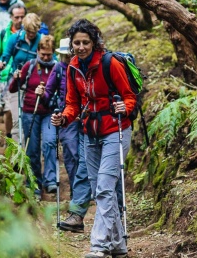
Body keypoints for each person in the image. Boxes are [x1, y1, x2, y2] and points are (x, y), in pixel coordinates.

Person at [51, 19, 136, 258]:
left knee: (105, 189)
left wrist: (124, 107)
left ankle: (98, 246)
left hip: (116, 131)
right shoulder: (73, 68)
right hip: (90, 134)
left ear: (94, 42)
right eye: (76, 43)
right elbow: (72, 103)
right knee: (102, 188)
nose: (80, 47)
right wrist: (64, 118)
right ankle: (118, 246)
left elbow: (130, 96)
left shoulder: (110, 63)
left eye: (85, 42)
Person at [36, 38, 91, 233]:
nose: (68, 57)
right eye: (66, 54)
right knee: (71, 155)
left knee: (84, 156)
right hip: (66, 117)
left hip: (83, 117)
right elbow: (49, 93)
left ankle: (82, 196)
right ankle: (78, 196)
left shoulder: (83, 67)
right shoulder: (59, 68)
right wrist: (41, 93)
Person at [9, 35, 58, 200]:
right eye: (43, 54)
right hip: (30, 111)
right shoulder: (30, 66)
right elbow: (12, 89)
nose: (45, 58)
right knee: (33, 149)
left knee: (50, 143)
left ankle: (50, 180)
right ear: (37, 51)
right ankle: (34, 182)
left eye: (48, 55)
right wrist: (15, 78)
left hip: (49, 111)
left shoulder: (56, 68)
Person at [0, 13, 43, 143]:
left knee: (28, 118)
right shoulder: (15, 39)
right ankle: (13, 146)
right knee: (14, 117)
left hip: (33, 86)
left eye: (33, 32)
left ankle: (27, 148)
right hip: (16, 84)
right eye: (28, 31)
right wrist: (2, 63)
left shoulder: (41, 41)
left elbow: (49, 59)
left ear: (38, 29)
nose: (30, 34)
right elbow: (5, 55)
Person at [0, 3, 27, 137]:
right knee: (9, 109)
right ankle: (9, 136)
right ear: (10, 17)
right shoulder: (3, 34)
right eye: (16, 17)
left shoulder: (30, 35)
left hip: (24, 77)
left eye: (22, 17)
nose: (19, 20)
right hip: (5, 79)